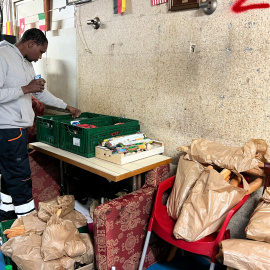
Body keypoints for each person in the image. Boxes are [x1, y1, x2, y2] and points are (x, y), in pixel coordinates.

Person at [0, 28, 81, 220]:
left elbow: (39, 93)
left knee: (9, 175)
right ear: (30, 44)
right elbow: (23, 90)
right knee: (21, 177)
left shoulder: (28, 64)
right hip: (7, 128)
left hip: (18, 128)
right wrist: (25, 88)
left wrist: (66, 106)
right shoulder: (3, 56)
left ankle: (6, 216)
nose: (40, 57)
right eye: (41, 52)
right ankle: (26, 224)